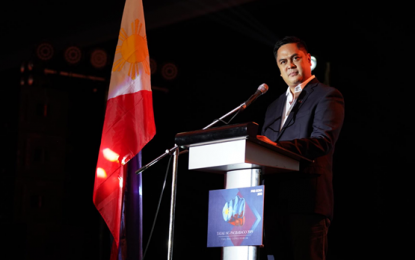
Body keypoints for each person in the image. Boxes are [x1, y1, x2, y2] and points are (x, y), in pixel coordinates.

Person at [257, 36, 345, 260]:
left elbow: (322, 141)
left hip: (307, 203)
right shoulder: (273, 106)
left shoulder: (327, 95)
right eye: (283, 62)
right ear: (279, 69)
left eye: (295, 58)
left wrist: (274, 148)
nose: (290, 65)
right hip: (271, 206)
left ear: (308, 60)